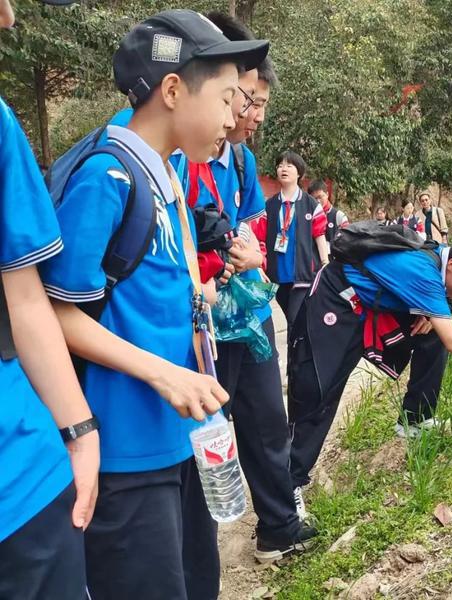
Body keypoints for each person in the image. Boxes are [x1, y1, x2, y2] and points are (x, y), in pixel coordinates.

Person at [39, 10, 269, 599]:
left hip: (178, 440)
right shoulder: (108, 178)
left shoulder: (167, 173)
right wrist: (164, 373)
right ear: (172, 91)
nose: (233, 117)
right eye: (225, 99)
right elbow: (54, 314)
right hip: (125, 454)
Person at [180, 13, 317, 565]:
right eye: (244, 99)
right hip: (205, 313)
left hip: (245, 307)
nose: (251, 114)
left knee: (264, 416)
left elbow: (246, 227)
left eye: (257, 102)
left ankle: (278, 526)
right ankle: (196, 555)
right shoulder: (175, 156)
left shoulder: (240, 158)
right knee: (208, 427)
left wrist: (250, 259)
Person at [287, 232, 452, 511]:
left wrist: (431, 311)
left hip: (366, 307)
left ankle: (416, 420)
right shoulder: (424, 272)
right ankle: (288, 487)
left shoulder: (441, 260)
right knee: (318, 392)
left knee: (432, 331)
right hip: (333, 300)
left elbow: (441, 313)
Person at [0, 2, 100, 598]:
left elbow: (25, 297)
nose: (9, 18)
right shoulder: (104, 176)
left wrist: (79, 431)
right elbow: (52, 298)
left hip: (24, 479)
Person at [265, 151, 328, 341]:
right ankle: (302, 356)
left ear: (299, 172)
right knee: (292, 320)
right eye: (280, 165)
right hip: (277, 275)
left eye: (289, 165)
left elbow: (319, 234)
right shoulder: (269, 205)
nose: (283, 169)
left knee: (294, 320)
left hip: (303, 274)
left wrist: (325, 262)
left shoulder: (310, 204)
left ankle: (295, 366)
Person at [309, 179, 349, 253]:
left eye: (320, 197)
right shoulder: (307, 216)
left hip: (333, 258)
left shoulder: (339, 216)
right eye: (314, 198)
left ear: (327, 194)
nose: (318, 201)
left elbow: (346, 240)